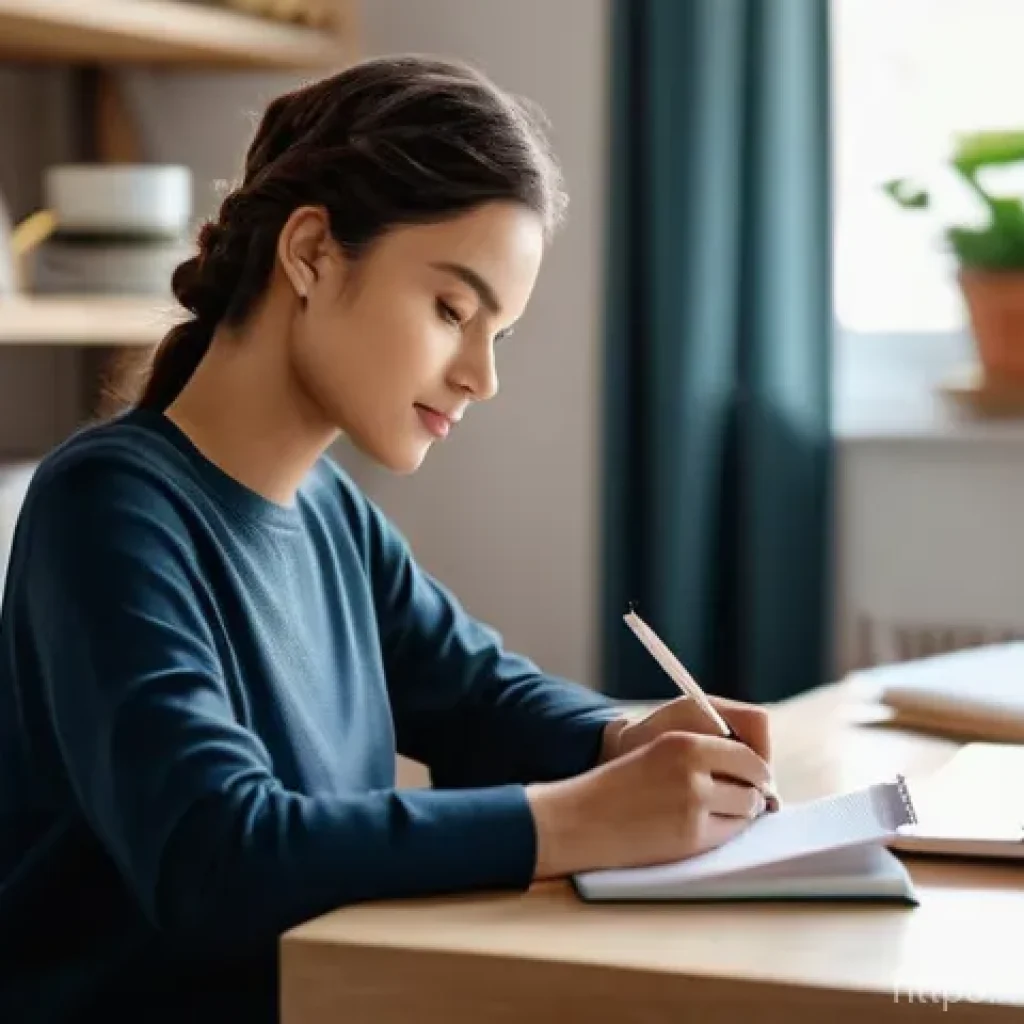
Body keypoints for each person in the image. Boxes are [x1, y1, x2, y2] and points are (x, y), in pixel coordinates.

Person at [0, 55, 775, 1023]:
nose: (480, 376)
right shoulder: (108, 509)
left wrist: (623, 734)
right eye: (453, 309)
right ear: (313, 252)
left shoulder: (329, 511)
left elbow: (477, 693)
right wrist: (578, 819)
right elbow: (214, 856)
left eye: (499, 332)